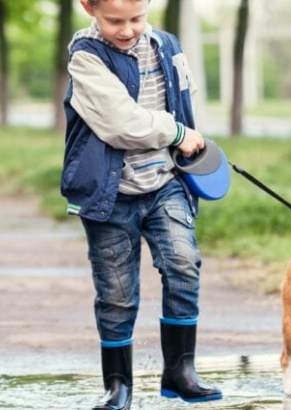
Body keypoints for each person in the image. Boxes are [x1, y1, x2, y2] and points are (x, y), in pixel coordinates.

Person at [61, 0, 222, 408]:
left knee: (183, 263)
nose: (128, 29)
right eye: (114, 20)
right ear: (87, 7)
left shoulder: (167, 45)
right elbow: (121, 125)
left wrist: (194, 144)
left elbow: (186, 99)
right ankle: (118, 386)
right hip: (108, 193)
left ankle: (180, 371)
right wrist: (177, 130)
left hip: (165, 182)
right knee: (116, 292)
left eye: (137, 17)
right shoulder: (86, 58)